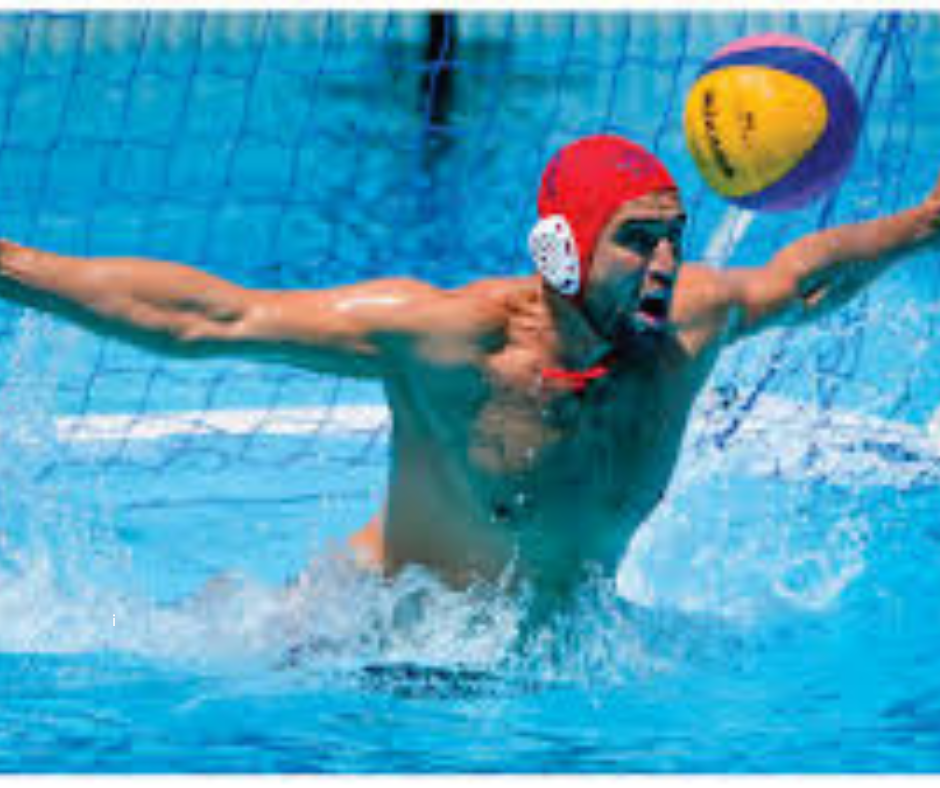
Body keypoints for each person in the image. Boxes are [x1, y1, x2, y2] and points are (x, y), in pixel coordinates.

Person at [1, 134, 937, 605]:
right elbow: (215, 317)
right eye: (636, 241)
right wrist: (13, 268)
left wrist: (926, 222)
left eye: (674, 239)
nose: (663, 266)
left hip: (552, 659)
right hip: (372, 633)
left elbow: (804, 282)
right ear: (560, 252)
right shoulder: (456, 344)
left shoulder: (690, 325)